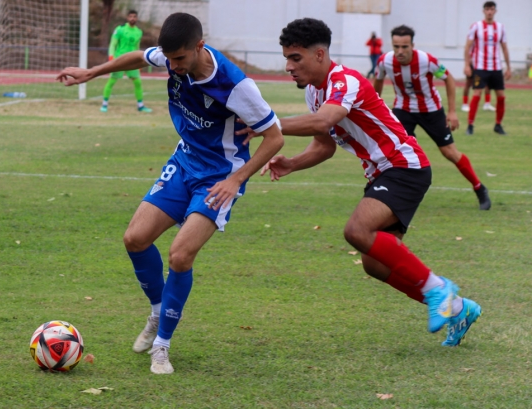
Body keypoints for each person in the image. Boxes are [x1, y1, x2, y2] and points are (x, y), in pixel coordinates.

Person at [58, 12, 284, 374]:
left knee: (180, 255)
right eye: (170, 59)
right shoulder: (170, 56)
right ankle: (158, 309)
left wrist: (236, 179)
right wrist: (92, 72)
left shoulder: (236, 85)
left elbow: (275, 137)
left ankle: (162, 345)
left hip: (218, 177)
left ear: (199, 46)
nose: (173, 66)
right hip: (183, 163)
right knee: (135, 238)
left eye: (180, 59)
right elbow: (137, 57)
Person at [240, 18, 481, 347]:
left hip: (403, 166)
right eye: (286, 58)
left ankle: (439, 290)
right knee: (375, 264)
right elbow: (324, 144)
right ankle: (457, 308)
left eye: (295, 58)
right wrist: (292, 163)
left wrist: (268, 124)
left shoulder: (345, 80)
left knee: (356, 231)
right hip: (383, 173)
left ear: (320, 54)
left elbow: (325, 120)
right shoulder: (315, 92)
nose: (288, 67)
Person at [373, 25, 491, 210]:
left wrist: (452, 112)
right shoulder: (384, 61)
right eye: (396, 46)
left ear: (413, 45)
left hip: (431, 110)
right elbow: (377, 83)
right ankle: (389, 194)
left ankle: (479, 188)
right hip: (403, 110)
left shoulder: (427, 60)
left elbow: (448, 79)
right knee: (393, 152)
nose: (400, 51)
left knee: (449, 153)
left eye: (405, 47)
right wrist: (375, 110)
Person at [464, 1, 510, 135]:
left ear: (495, 11)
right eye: (487, 9)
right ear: (483, 11)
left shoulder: (501, 27)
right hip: (480, 68)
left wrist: (508, 67)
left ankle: (498, 125)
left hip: (496, 68)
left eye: (492, 9)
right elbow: (468, 47)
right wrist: (467, 64)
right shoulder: (476, 26)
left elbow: (505, 48)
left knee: (501, 96)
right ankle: (470, 125)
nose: (490, 11)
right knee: (477, 94)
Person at [100, 9, 152, 113]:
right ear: (127, 18)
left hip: (132, 61)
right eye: (131, 16)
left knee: (137, 82)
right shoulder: (120, 29)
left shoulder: (139, 32)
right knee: (112, 81)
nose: (132, 18)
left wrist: (140, 61)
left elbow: (137, 47)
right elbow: (113, 44)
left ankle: (140, 106)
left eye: (134, 16)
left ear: (136, 18)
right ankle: (104, 104)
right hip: (120, 59)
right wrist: (111, 56)